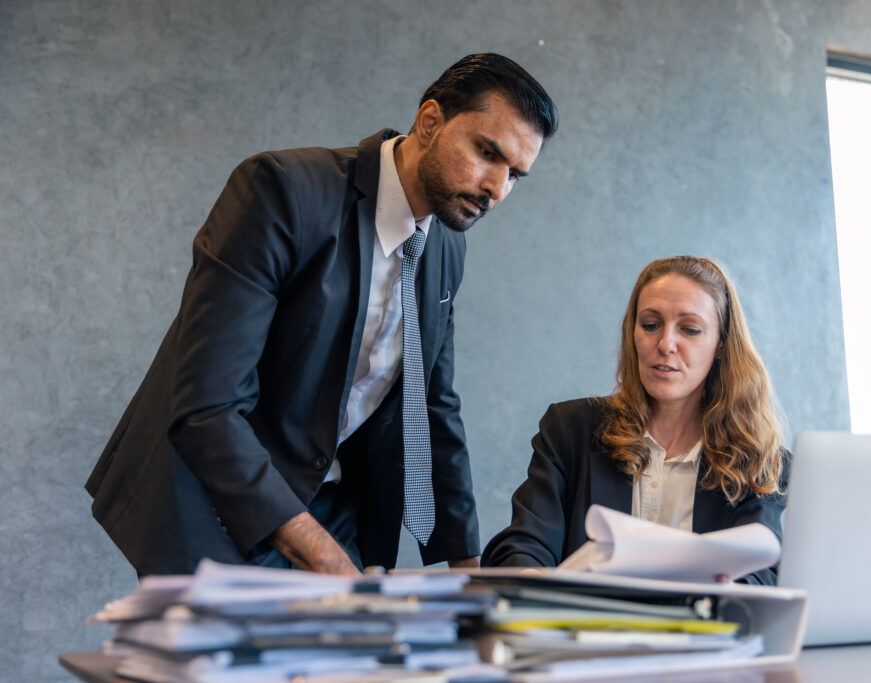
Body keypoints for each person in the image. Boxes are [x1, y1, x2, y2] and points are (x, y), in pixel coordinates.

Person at [85, 53, 558, 577]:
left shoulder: (446, 246)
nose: (496, 188)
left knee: (363, 654)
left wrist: (467, 564)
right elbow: (208, 404)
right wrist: (319, 550)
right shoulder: (282, 190)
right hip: (212, 495)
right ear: (429, 122)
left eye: (515, 174)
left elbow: (431, 406)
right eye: (487, 153)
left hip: (331, 502)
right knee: (224, 659)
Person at [483, 256, 788, 584]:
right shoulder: (570, 429)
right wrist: (532, 583)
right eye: (650, 324)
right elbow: (524, 542)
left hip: (697, 631)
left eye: (690, 329)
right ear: (633, 334)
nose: (665, 344)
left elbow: (763, 574)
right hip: (581, 629)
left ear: (720, 345)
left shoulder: (760, 460)